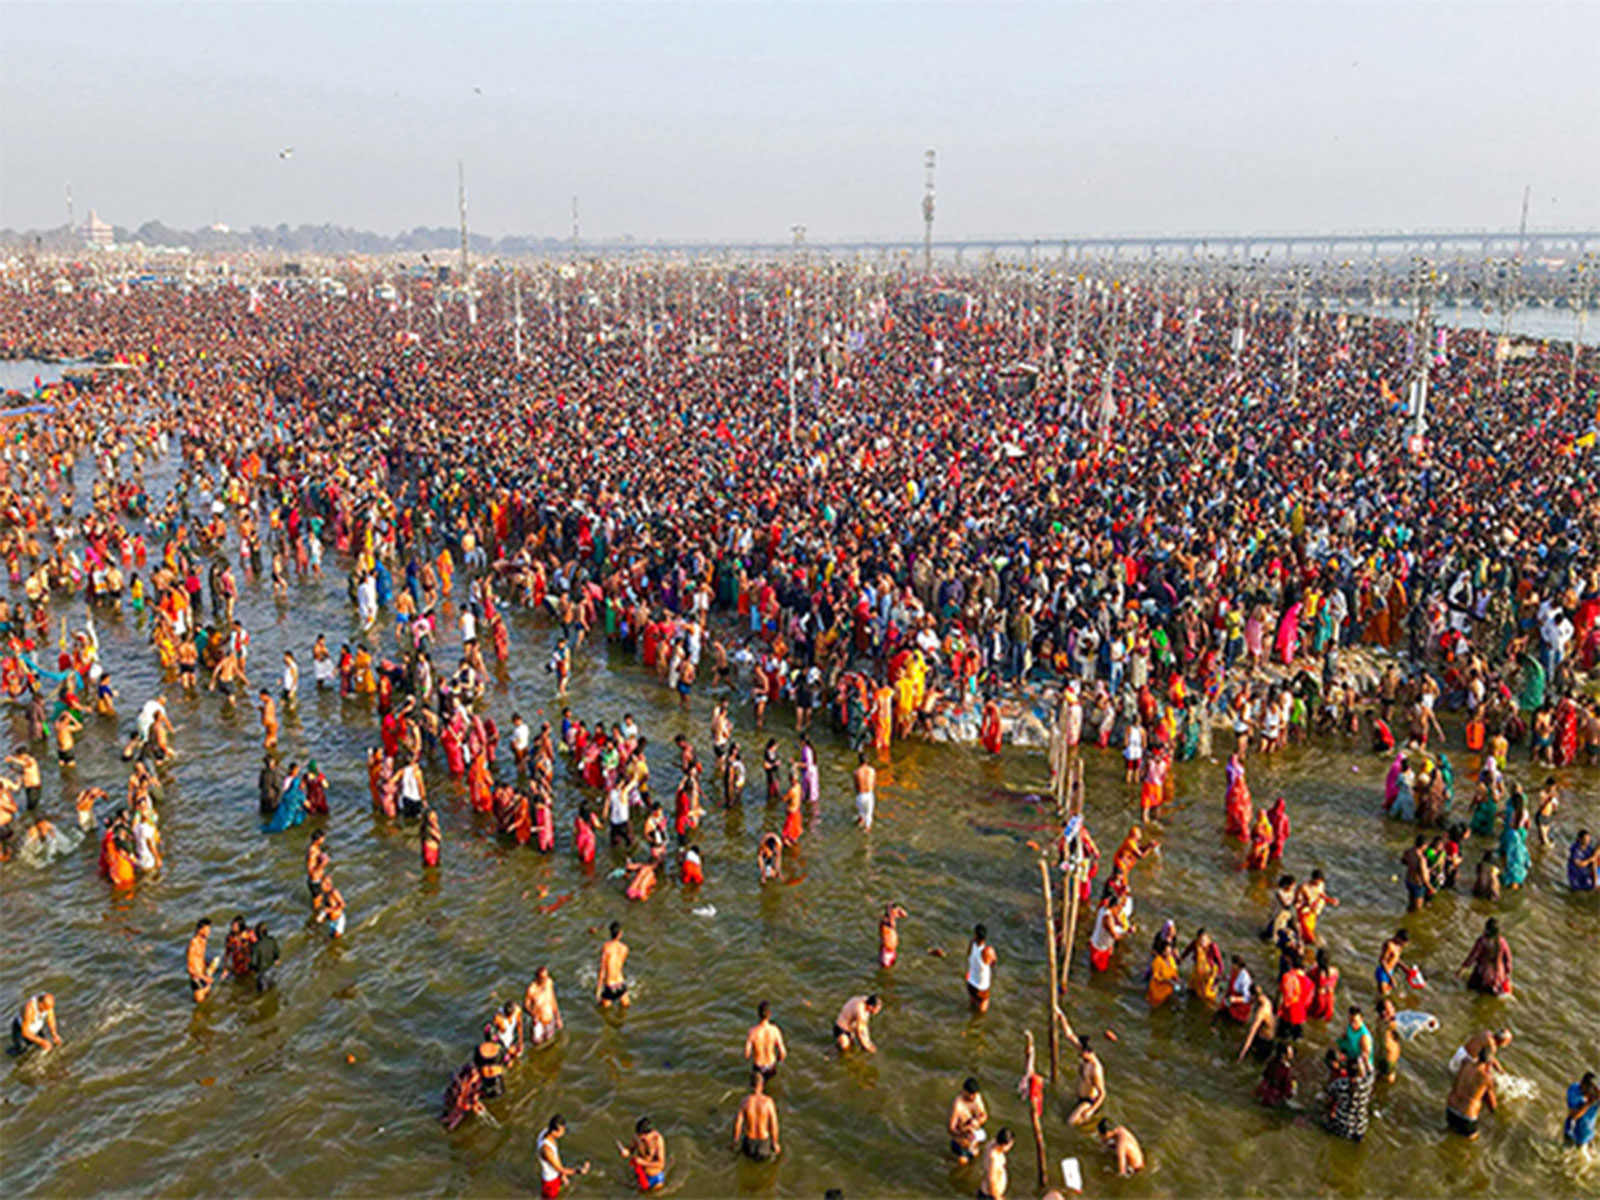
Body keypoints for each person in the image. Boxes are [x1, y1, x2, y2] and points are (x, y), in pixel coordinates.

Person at [1446, 1044, 1498, 1139]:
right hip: (1466, 1115)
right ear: (1490, 1062)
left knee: (1450, 1131)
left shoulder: (1465, 1063)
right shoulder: (1487, 1078)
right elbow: (1492, 1104)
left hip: (1451, 1108)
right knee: (1471, 1142)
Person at [537, 1114, 590, 1198]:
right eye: (561, 1131)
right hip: (550, 1181)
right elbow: (560, 1169)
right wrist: (579, 1171)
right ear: (554, 1131)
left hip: (554, 1176)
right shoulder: (547, 1150)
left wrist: (562, 1176)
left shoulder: (544, 1132)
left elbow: (556, 1158)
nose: (563, 1133)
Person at [733, 1069, 781, 1160]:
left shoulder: (745, 1101)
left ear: (751, 1085)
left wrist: (735, 1141)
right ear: (762, 1085)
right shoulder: (768, 1102)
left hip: (749, 1143)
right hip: (763, 1144)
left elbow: (738, 1124)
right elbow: (774, 1125)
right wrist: (775, 1143)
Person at [1459, 918, 1513, 996]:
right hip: (1498, 978)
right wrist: (1506, 973)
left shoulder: (1482, 941)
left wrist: (1462, 969)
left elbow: (1472, 957)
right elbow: (1508, 961)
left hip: (1483, 977)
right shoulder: (1502, 942)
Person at [617, 1116, 666, 1192]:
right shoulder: (637, 1137)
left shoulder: (657, 1140)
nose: (643, 1140)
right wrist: (626, 1152)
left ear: (651, 1133)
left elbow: (661, 1164)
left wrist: (642, 1162)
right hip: (641, 1173)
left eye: (644, 1138)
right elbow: (631, 1149)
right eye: (640, 1137)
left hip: (656, 1177)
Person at [948, 1076, 988, 1163]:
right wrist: (964, 1133)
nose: (974, 1097)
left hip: (974, 1141)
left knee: (975, 1163)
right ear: (965, 1091)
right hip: (961, 1144)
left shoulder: (977, 1098)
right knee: (962, 1167)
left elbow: (984, 1115)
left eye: (975, 1094)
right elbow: (951, 1128)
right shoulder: (958, 1105)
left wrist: (977, 1121)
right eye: (971, 1094)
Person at [743, 1000, 787, 1080]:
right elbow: (783, 1052)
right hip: (771, 1065)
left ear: (758, 1014)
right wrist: (779, 1060)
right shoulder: (775, 1030)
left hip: (759, 1066)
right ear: (770, 1014)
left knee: (757, 1087)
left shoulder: (753, 1032)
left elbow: (747, 1054)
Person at [10, 991, 61, 1056]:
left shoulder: (47, 1004)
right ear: (41, 1004)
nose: (48, 1011)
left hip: (36, 1028)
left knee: (47, 1046)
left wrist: (54, 1034)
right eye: (46, 1009)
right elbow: (25, 1032)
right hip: (21, 1029)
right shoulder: (30, 1010)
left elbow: (50, 1018)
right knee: (22, 1050)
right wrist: (41, 1041)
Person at [524, 966, 563, 1048]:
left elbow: (553, 999)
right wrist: (533, 1014)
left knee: (550, 1041)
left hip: (549, 1019)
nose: (545, 979)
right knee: (537, 1045)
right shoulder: (532, 989)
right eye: (543, 978)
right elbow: (525, 1005)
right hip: (538, 1022)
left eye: (547, 976)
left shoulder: (549, 983)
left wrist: (558, 1017)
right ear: (537, 978)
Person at [596, 921, 630, 1008]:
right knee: (625, 1008)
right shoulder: (625, 948)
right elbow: (619, 965)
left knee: (605, 1013)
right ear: (620, 934)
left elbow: (602, 970)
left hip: (610, 986)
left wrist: (598, 991)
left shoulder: (606, 947)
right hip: (621, 984)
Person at [965, 923, 998, 1013]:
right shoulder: (988, 951)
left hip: (970, 982)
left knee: (973, 1001)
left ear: (975, 935)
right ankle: (977, 1024)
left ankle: (970, 1014)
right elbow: (994, 961)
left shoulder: (971, 944)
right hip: (982, 987)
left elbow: (968, 955)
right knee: (982, 1009)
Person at [186, 917, 219, 1003]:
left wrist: (209, 965)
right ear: (200, 930)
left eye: (209, 929)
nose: (209, 932)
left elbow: (200, 958)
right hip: (197, 979)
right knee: (199, 1008)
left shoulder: (204, 940)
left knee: (208, 1002)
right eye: (207, 930)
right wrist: (204, 978)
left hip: (204, 974)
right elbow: (190, 969)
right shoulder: (193, 944)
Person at [1565, 1072, 1599, 1152]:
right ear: (1582, 1083)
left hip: (1589, 1133)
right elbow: (1574, 1115)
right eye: (1588, 1088)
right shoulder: (1574, 1091)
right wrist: (1589, 1103)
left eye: (1593, 1089)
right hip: (1573, 1133)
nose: (1590, 1091)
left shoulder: (1596, 1094)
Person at [977, 1127, 1013, 1199]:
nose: (1010, 1148)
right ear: (1003, 1145)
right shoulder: (994, 1160)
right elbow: (992, 1183)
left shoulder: (991, 1145)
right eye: (1010, 1145)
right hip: (989, 1196)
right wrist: (999, 1198)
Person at [1375, 929, 1410, 995]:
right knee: (1383, 996)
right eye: (1404, 942)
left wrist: (1405, 969)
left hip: (1390, 971)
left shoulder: (1399, 946)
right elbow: (1382, 961)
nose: (1404, 945)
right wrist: (1390, 978)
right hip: (1383, 972)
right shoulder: (1389, 945)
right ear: (1398, 938)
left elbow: (1395, 959)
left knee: (1389, 995)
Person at [250, 922, 280, 992]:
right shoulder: (272, 940)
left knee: (262, 991)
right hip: (272, 969)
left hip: (262, 973)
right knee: (273, 987)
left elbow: (253, 962)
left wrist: (252, 969)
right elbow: (276, 952)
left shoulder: (256, 946)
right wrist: (276, 958)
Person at [878, 902, 907, 968]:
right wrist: (889, 909)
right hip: (886, 953)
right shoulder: (884, 921)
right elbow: (892, 925)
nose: (896, 914)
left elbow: (905, 915)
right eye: (894, 912)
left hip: (892, 951)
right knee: (886, 972)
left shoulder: (892, 918)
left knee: (891, 968)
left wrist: (899, 909)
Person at [852, 752, 876, 830]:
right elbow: (873, 784)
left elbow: (856, 786)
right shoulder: (872, 771)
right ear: (867, 761)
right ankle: (867, 831)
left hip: (861, 795)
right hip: (869, 794)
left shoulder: (856, 772)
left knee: (861, 814)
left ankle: (859, 823)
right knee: (869, 816)